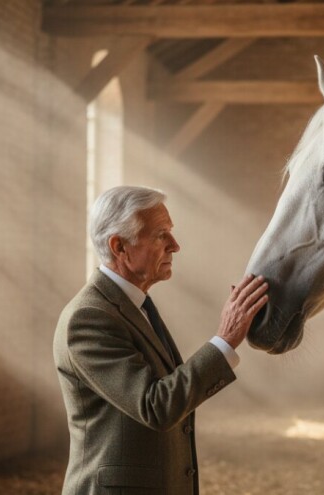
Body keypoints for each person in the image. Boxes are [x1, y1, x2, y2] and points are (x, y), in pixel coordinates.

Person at [53, 185, 268, 495]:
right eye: (160, 235)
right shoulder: (88, 318)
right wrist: (225, 340)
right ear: (119, 246)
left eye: (171, 233)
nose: (175, 245)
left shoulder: (136, 305)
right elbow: (155, 406)